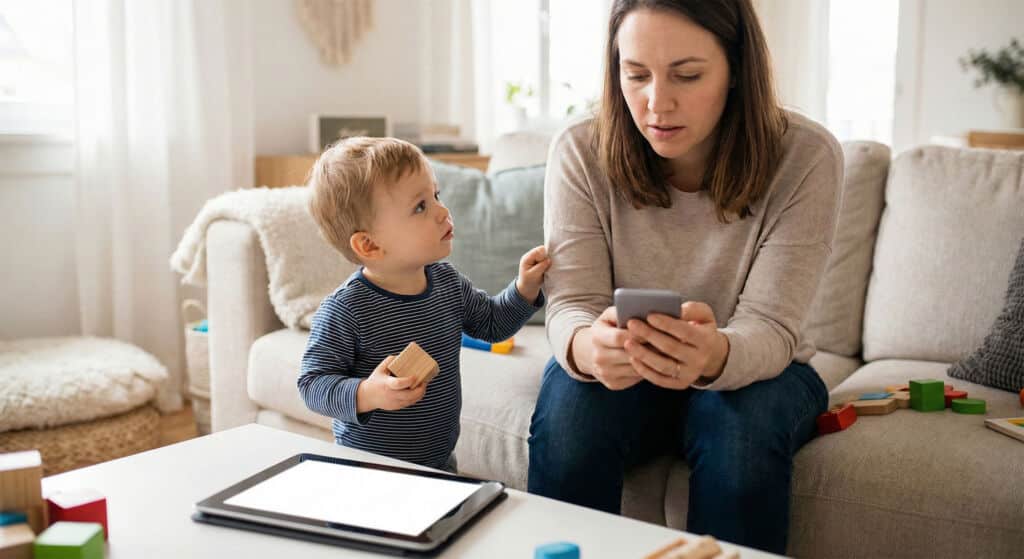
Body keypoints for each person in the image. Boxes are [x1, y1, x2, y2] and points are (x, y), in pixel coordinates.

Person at [527, 0, 842, 553]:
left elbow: (771, 324)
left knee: (738, 435)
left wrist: (715, 354)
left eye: (687, 75)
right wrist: (583, 346)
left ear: (738, 69)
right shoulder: (580, 150)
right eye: (636, 74)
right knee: (572, 417)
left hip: (760, 369)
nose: (657, 103)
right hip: (627, 372)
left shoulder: (806, 156)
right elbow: (572, 301)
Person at [298, 137, 549, 472]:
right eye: (420, 207)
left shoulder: (446, 282)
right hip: (367, 471)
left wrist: (524, 289)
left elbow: (492, 324)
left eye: (436, 196)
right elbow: (312, 384)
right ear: (369, 245)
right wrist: (369, 393)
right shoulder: (347, 309)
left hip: (440, 462)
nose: (442, 211)